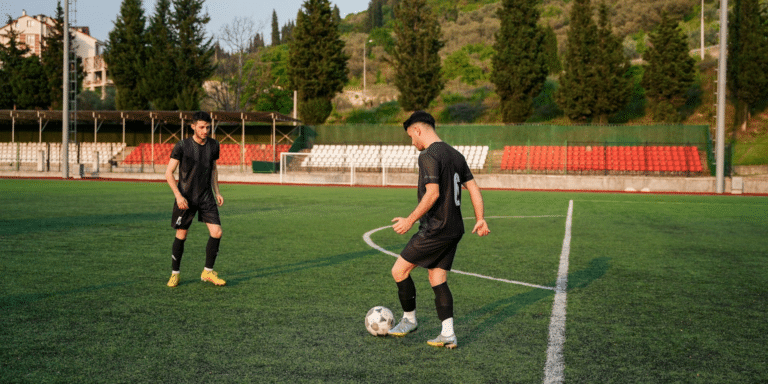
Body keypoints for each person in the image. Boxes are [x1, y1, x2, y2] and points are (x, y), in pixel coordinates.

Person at [388, 111, 490, 349]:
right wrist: (480, 218)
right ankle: (448, 334)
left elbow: (432, 193)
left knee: (399, 271)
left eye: (410, 137)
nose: (412, 142)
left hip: (436, 227)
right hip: (455, 228)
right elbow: (474, 188)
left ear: (418, 130)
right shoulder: (456, 154)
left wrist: (410, 219)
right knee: (437, 277)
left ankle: (409, 320)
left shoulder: (428, 154)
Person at [164, 111, 226, 287]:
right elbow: (169, 173)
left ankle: (207, 272)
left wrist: (217, 192)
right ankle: (175, 273)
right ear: (193, 126)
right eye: (201, 127)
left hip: (206, 196)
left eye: (208, 127)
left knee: (217, 232)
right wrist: (178, 196)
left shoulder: (214, 145)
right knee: (181, 234)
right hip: (186, 197)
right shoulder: (182, 146)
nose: (205, 130)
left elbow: (214, 170)